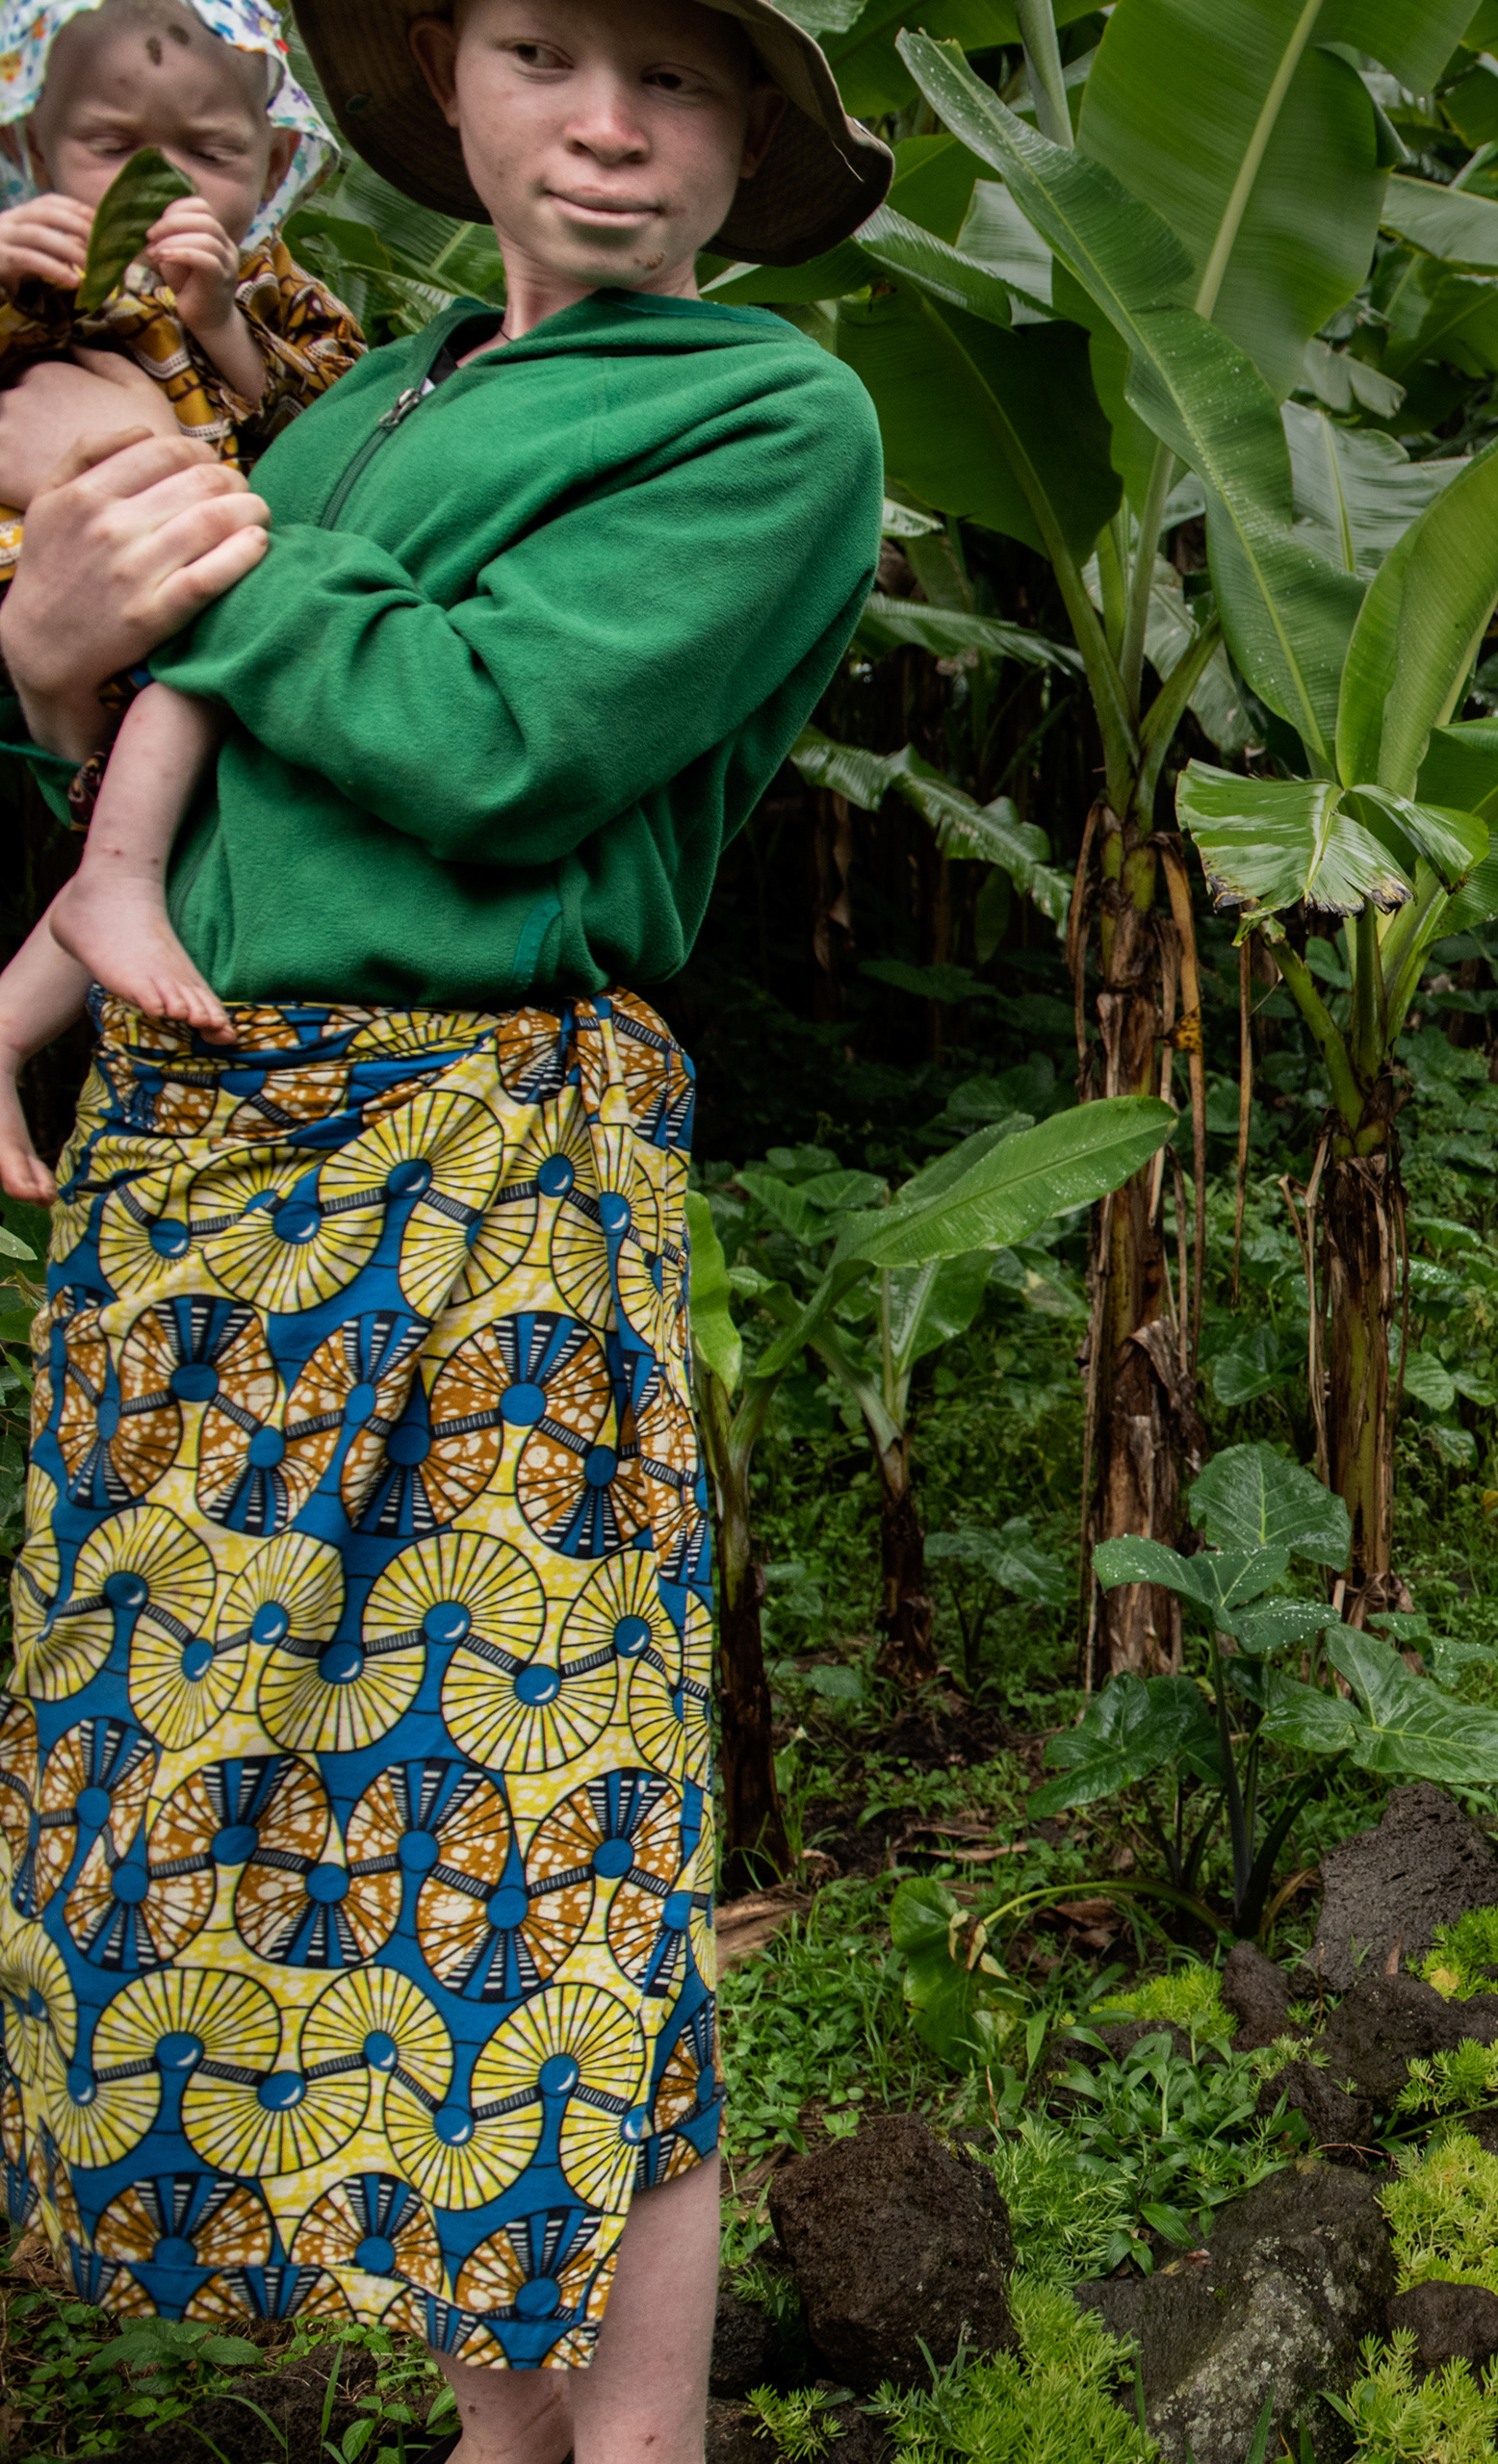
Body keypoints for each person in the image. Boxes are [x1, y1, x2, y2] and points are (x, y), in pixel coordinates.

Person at [0, 0, 888, 2454]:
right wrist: (53, 650)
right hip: (202, 1185)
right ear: (453, 97)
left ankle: (623, 2443)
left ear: (744, 147)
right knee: (334, 1857)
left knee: (547, 1837)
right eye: (540, 51)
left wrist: (182, 548)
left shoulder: (765, 411)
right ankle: (503, 2418)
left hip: (485, 1163)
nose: (606, 126)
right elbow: (185, 752)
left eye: (679, 82)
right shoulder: (344, 403)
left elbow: (496, 747)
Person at [0, 0, 366, 1040]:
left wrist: (219, 323)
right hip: (53, 564)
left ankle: (41, 981)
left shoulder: (265, 283)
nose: (157, 185)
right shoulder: (30, 252)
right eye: (111, 145)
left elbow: (324, 423)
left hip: (202, 566)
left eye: (209, 152)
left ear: (276, 156)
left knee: (212, 679)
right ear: (29, 143)